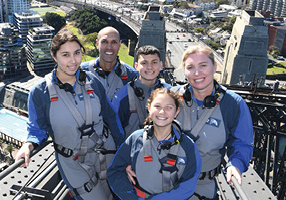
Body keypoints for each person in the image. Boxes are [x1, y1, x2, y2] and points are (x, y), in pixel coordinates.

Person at [14, 29, 124, 199]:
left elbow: (110, 117)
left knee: (115, 193)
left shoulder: (93, 81)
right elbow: (37, 129)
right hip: (73, 162)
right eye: (65, 55)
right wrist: (27, 145)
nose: (73, 61)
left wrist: (123, 151)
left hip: (105, 150)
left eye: (77, 53)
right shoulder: (40, 92)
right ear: (54, 56)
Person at [172, 45, 254, 199]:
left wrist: (236, 164)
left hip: (204, 188)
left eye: (203, 65)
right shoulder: (172, 97)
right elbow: (149, 131)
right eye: (190, 67)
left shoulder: (233, 104)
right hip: (167, 182)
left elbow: (242, 143)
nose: (197, 73)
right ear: (184, 71)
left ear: (215, 67)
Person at [108, 88, 201, 199]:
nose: (162, 112)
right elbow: (115, 171)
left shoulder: (187, 146)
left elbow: (188, 185)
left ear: (177, 112)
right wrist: (130, 196)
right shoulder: (136, 138)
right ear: (149, 108)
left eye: (169, 107)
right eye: (157, 106)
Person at [112, 45, 172, 139]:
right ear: (136, 66)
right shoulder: (122, 96)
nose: (149, 67)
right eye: (144, 63)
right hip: (133, 151)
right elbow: (115, 131)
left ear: (161, 65)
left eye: (154, 62)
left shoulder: (171, 93)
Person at [80, 27, 138, 105]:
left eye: (114, 42)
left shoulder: (132, 75)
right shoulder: (81, 71)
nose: (109, 47)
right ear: (97, 44)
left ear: (119, 44)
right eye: (104, 41)